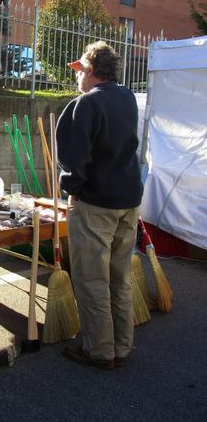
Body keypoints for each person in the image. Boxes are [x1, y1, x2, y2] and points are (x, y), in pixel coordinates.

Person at [56, 40, 143, 370]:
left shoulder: (87, 104)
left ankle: (99, 350)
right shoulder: (128, 97)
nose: (77, 78)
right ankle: (121, 345)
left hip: (96, 202)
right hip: (128, 199)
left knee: (92, 278)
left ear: (91, 72)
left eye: (80, 71)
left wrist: (73, 189)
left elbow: (74, 158)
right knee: (119, 277)